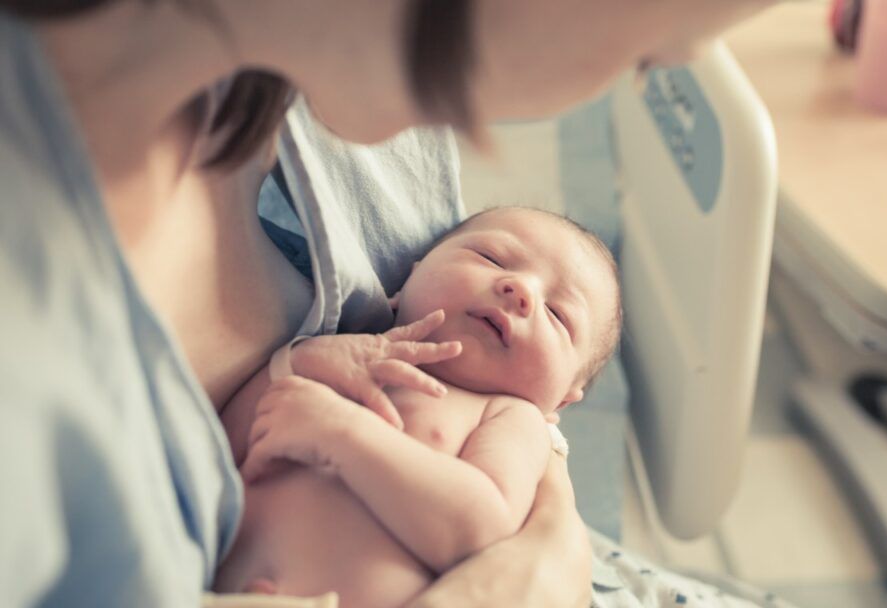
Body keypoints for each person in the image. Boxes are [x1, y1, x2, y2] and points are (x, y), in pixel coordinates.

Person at [0, 0, 776, 606]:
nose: (516, 289)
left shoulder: (350, 87)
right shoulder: (35, 376)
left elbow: (513, 493)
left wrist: (545, 559)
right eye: (647, 56)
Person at [210, 207, 622, 607]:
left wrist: (343, 433)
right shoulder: (343, 351)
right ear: (409, 276)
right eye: (490, 257)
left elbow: (478, 530)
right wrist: (296, 363)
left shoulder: (509, 417)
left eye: (558, 315)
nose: (521, 290)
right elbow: (221, 442)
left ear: (563, 399)